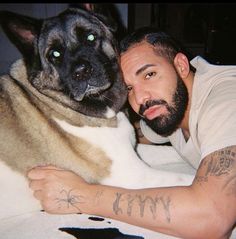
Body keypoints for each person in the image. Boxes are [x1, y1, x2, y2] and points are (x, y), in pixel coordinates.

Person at [27, 27, 236, 239]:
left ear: (181, 65)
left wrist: (81, 195)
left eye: (149, 74)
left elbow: (211, 218)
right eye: (128, 88)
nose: (140, 98)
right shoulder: (168, 109)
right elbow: (138, 134)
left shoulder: (227, 99)